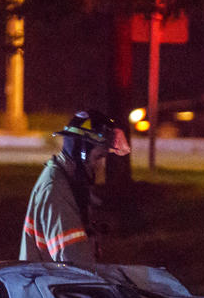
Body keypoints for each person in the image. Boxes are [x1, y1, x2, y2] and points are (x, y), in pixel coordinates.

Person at [20, 109, 131, 268]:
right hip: (49, 288)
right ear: (82, 153)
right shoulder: (57, 190)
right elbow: (76, 264)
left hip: (55, 286)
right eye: (99, 157)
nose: (101, 165)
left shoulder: (70, 182)